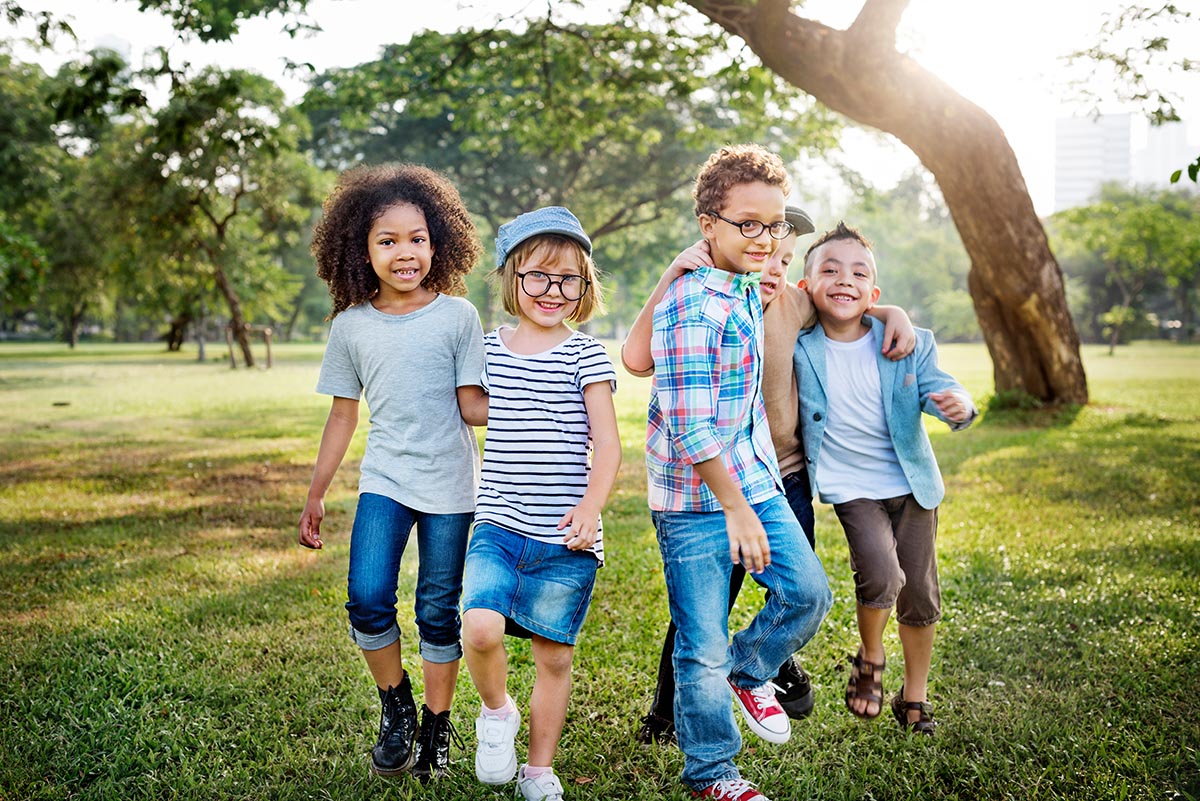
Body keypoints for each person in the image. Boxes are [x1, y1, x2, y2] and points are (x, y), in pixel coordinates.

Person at [623, 206, 917, 745]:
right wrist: (671, 275)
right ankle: (667, 713)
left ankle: (765, 666)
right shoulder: (705, 302)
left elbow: (844, 305)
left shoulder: (791, 303)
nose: (774, 267)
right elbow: (637, 361)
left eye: (785, 258)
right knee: (707, 605)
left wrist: (891, 312)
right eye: (767, 255)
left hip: (784, 478)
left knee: (794, 587)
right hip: (714, 486)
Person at [645, 144, 832, 801]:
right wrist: (736, 508)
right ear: (709, 225)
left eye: (774, 224)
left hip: (754, 478)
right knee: (699, 643)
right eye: (746, 223)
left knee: (809, 592)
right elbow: (690, 424)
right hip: (694, 498)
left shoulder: (749, 287)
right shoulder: (692, 305)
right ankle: (713, 773)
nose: (763, 237)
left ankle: (748, 670)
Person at [298, 163, 486, 781]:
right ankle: (395, 704)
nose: (405, 252)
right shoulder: (351, 327)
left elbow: (472, 406)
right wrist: (317, 493)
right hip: (385, 479)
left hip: (453, 485)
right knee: (368, 597)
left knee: (438, 609)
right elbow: (342, 416)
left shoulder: (459, 317)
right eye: (388, 240)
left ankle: (436, 722)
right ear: (362, 248)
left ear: (439, 243)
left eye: (417, 238)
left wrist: (545, 390)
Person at [457, 206, 621, 801]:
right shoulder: (487, 349)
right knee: (479, 628)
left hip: (565, 535)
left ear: (584, 287)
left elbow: (607, 443)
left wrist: (591, 507)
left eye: (568, 279)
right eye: (537, 276)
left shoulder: (587, 355)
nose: (552, 291)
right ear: (512, 278)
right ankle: (497, 710)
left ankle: (538, 770)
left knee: (554, 657)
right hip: (497, 521)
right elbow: (469, 406)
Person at [794, 221, 977, 737]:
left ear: (873, 293)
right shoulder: (800, 345)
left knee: (918, 593)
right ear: (807, 286)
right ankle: (871, 656)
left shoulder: (906, 340)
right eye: (828, 270)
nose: (843, 279)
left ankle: (914, 696)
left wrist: (957, 406)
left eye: (858, 273)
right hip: (853, 488)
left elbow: (940, 387)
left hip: (913, 486)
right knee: (880, 574)